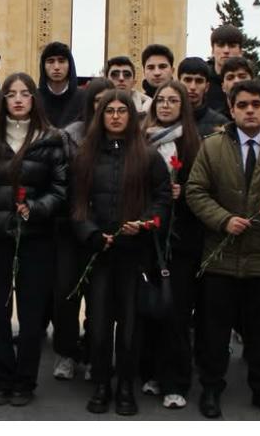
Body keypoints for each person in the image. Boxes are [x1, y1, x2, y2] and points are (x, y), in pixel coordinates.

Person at [187, 80, 260, 420]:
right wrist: (223, 220)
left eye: (256, 104)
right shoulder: (212, 147)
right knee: (214, 330)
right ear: (232, 109)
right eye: (242, 105)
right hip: (220, 256)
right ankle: (211, 388)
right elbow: (196, 191)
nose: (250, 110)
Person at [0, 73, 68, 406]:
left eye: (26, 93)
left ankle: (25, 380)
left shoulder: (52, 139)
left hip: (36, 237)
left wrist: (36, 209)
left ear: (34, 99)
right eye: (12, 94)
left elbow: (61, 190)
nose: (19, 99)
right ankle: (0, 377)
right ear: (4, 100)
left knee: (32, 312)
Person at [72, 90, 171, 416]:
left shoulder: (148, 155)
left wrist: (143, 224)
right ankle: (102, 383)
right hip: (99, 253)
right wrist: (90, 233)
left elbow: (161, 199)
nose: (115, 116)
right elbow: (75, 202)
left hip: (134, 254)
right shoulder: (86, 154)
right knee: (99, 324)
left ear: (131, 115)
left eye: (121, 111)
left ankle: (126, 385)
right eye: (109, 111)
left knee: (130, 327)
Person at [142, 80, 203, 410]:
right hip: (148, 238)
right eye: (160, 100)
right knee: (149, 311)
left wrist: (185, 193)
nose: (165, 105)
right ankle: (150, 372)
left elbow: (208, 188)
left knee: (176, 312)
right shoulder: (142, 140)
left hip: (180, 240)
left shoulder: (194, 143)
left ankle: (176, 381)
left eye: (172, 101)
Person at [50, 75, 112, 381]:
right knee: (65, 294)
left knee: (99, 300)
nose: (104, 110)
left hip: (105, 231)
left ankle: (93, 354)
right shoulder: (69, 136)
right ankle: (66, 352)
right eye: (97, 103)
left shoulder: (123, 138)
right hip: (70, 229)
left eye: (108, 103)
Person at [178, 57, 230, 137]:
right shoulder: (167, 118)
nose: (193, 87)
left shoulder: (220, 122)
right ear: (178, 83)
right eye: (188, 80)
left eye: (199, 81)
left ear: (207, 87)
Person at [38, 41, 85, 128]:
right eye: (50, 61)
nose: (56, 67)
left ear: (70, 65)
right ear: (43, 66)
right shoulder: (35, 98)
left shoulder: (84, 98)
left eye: (61, 61)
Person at [204, 25, 245, 114]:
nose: (226, 50)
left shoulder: (253, 85)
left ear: (241, 51)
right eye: (221, 45)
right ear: (212, 50)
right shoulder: (202, 82)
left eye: (232, 46)